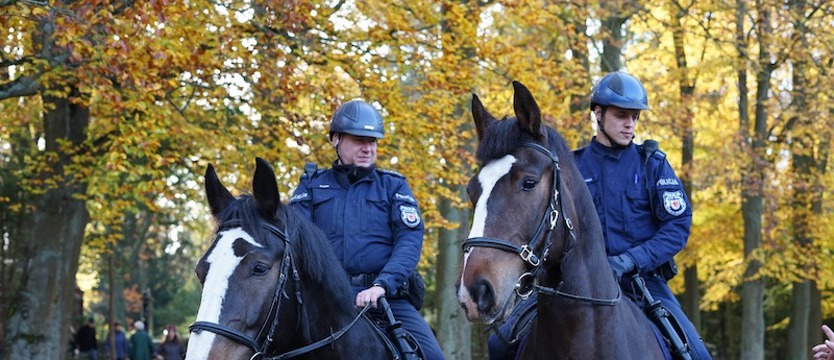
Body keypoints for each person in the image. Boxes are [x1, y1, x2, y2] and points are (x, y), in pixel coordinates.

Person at [289, 99, 444, 360]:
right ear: (336, 139)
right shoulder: (311, 187)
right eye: (359, 140)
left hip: (385, 298)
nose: (368, 148)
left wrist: (383, 285)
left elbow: (409, 240)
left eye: (372, 141)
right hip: (324, 299)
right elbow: (294, 243)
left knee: (433, 356)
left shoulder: (394, 186)